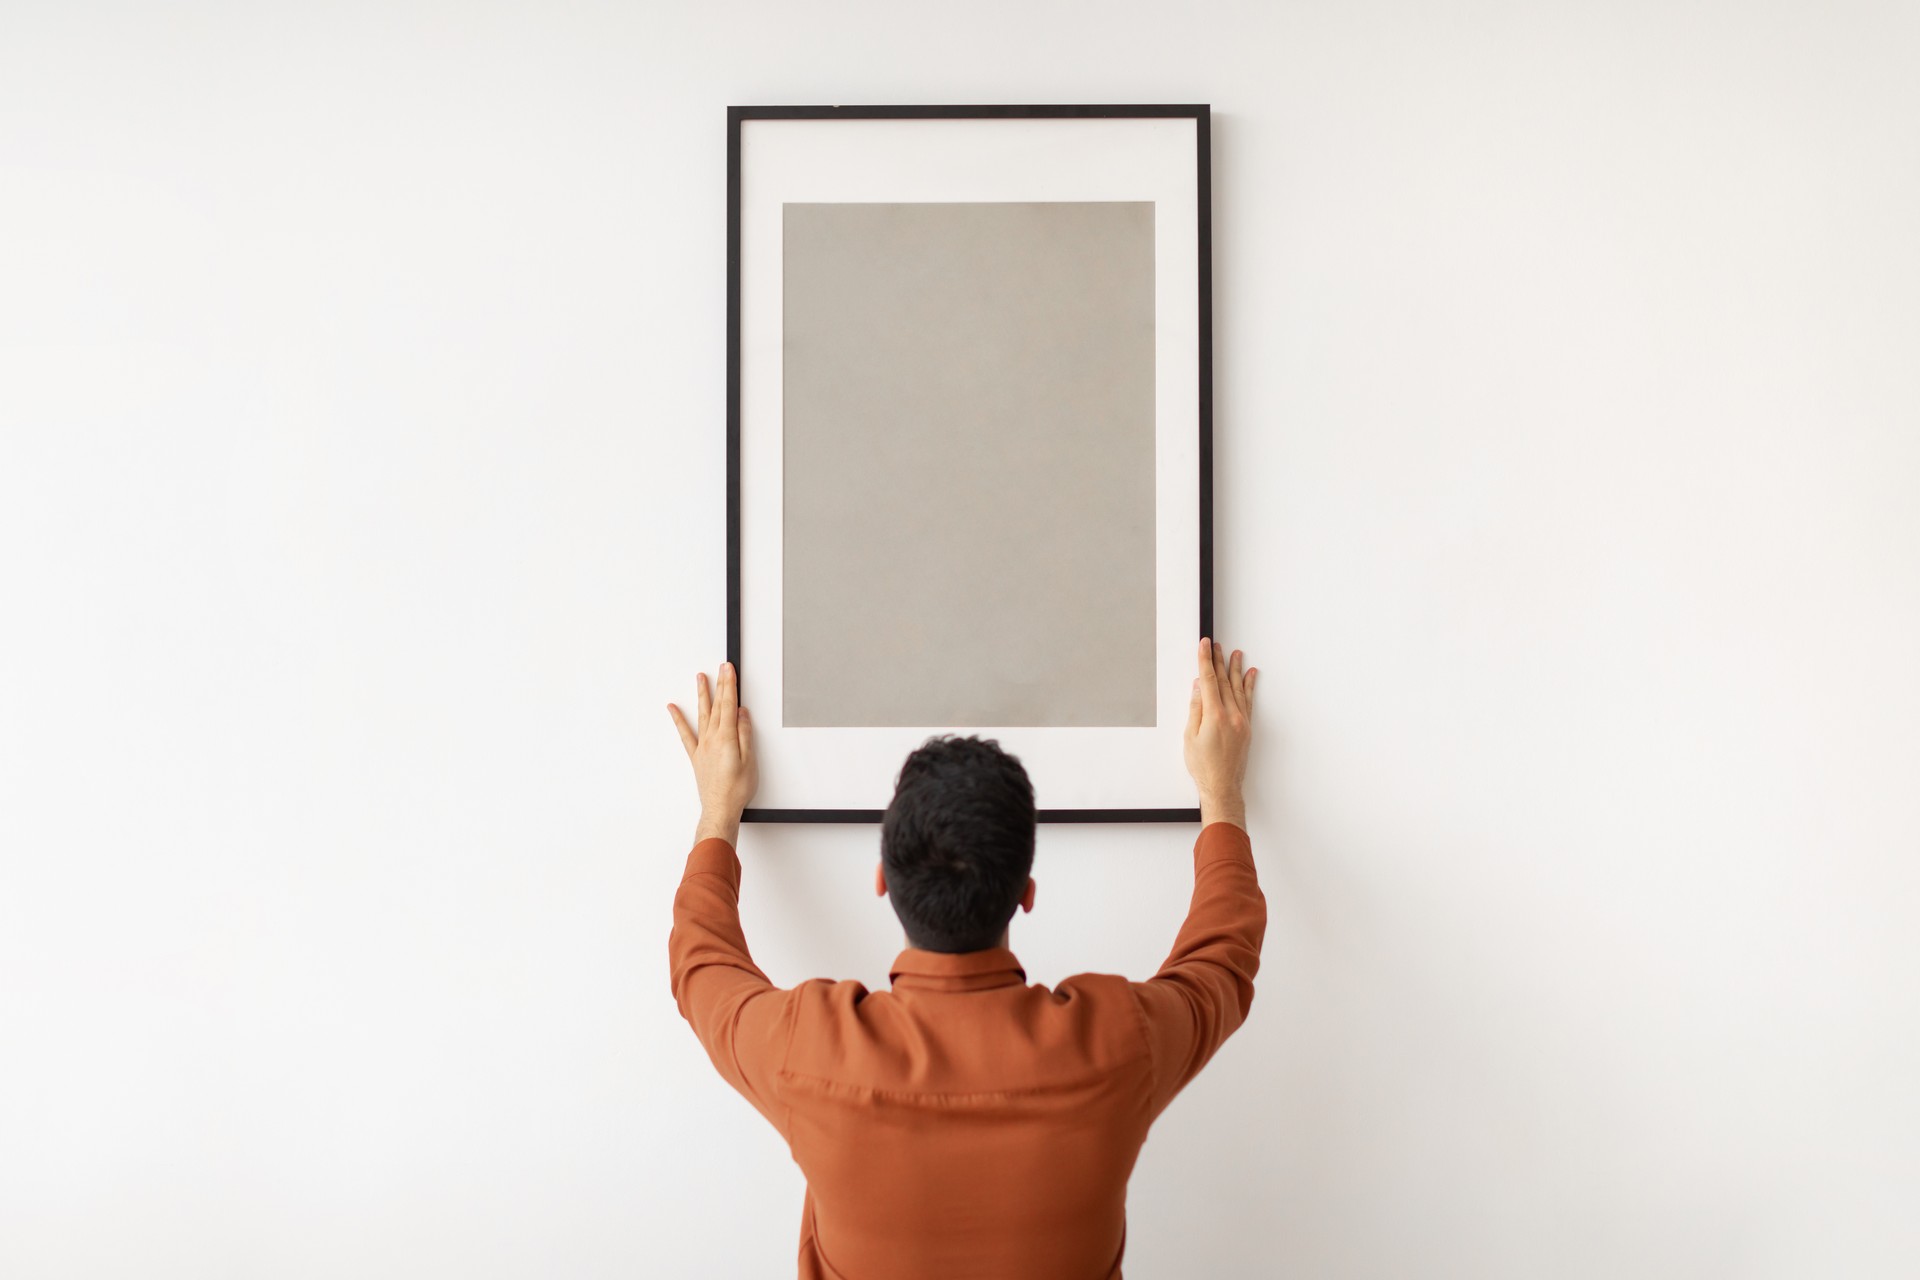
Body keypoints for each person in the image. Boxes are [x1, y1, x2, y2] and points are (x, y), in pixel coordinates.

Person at [665, 638, 1266, 1280]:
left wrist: (718, 811)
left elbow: (702, 961)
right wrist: (1219, 792)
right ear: (1026, 893)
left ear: (881, 882)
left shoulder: (807, 1048)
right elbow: (1222, 958)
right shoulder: (1119, 1040)